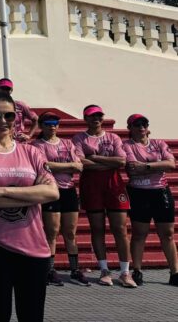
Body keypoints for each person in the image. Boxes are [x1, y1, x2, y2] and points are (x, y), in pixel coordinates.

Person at [0, 91, 59, 322]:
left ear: (17, 118)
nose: (2, 121)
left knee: (32, 316)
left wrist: (0, 190)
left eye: (8, 115)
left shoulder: (32, 152)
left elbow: (52, 192)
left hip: (34, 247)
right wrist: (31, 194)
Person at [72, 105, 135, 287]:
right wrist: (109, 163)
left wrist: (96, 158)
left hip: (114, 185)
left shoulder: (112, 137)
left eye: (99, 115)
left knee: (120, 229)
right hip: (91, 186)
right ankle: (104, 270)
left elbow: (121, 161)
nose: (96, 119)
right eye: (92, 116)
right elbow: (80, 162)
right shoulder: (79, 138)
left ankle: (125, 272)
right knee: (97, 228)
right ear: (85, 118)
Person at [31, 113, 90, 286]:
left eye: (55, 123)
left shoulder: (67, 143)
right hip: (51, 190)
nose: (52, 127)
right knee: (52, 232)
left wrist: (64, 166)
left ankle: (74, 270)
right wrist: (69, 165)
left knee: (70, 232)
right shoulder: (38, 145)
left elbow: (79, 166)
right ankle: (49, 270)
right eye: (48, 124)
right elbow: (44, 165)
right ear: (42, 125)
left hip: (69, 190)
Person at [121, 113, 178, 286]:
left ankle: (175, 272)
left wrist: (146, 166)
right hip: (139, 192)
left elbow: (171, 164)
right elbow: (132, 168)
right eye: (136, 125)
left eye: (144, 124)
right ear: (130, 128)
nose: (141, 127)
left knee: (167, 234)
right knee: (139, 233)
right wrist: (157, 166)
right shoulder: (127, 145)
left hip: (160, 192)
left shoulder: (159, 144)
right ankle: (137, 270)